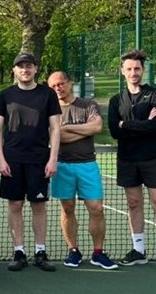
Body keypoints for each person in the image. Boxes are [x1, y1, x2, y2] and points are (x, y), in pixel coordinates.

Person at [108, 49, 156, 275]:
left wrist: (125, 125)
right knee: (133, 203)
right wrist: (134, 125)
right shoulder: (116, 100)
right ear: (122, 72)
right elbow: (113, 131)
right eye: (129, 69)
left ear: (143, 70)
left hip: (153, 159)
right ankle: (138, 251)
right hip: (127, 159)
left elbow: (154, 126)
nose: (133, 72)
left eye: (137, 68)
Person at [0, 52, 61, 272]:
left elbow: (55, 128)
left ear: (35, 69)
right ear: (14, 70)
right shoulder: (5, 96)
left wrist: (52, 159)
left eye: (29, 66)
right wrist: (1, 159)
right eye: (21, 66)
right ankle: (19, 251)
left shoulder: (47, 94)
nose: (25, 69)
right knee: (15, 205)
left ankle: (40, 251)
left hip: (39, 160)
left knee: (39, 206)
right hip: (12, 160)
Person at [47, 72, 117, 270]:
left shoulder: (88, 104)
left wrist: (66, 129)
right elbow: (53, 137)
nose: (58, 88)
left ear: (69, 84)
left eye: (61, 84)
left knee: (96, 208)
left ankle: (98, 253)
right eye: (53, 86)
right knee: (67, 208)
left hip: (88, 165)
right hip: (62, 165)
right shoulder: (50, 110)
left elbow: (97, 127)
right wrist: (76, 131)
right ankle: (73, 250)